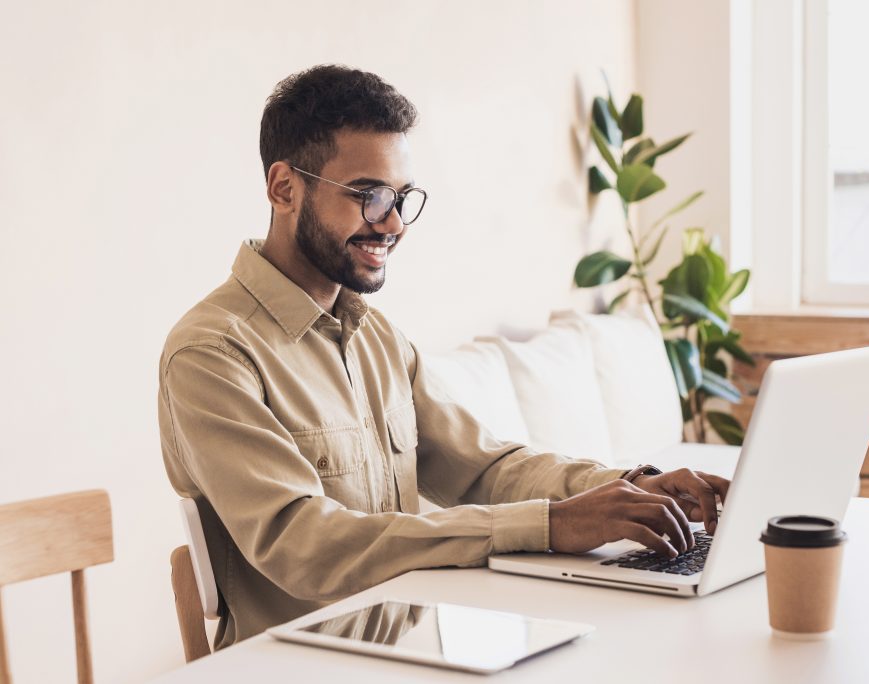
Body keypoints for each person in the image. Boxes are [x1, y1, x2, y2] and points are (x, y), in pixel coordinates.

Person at [157, 64, 730, 648]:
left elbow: (485, 467)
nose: (394, 224)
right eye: (370, 196)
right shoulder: (212, 353)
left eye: (402, 197)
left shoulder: (376, 336)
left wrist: (628, 489)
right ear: (284, 188)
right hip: (298, 666)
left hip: (411, 656)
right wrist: (552, 526)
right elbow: (304, 545)